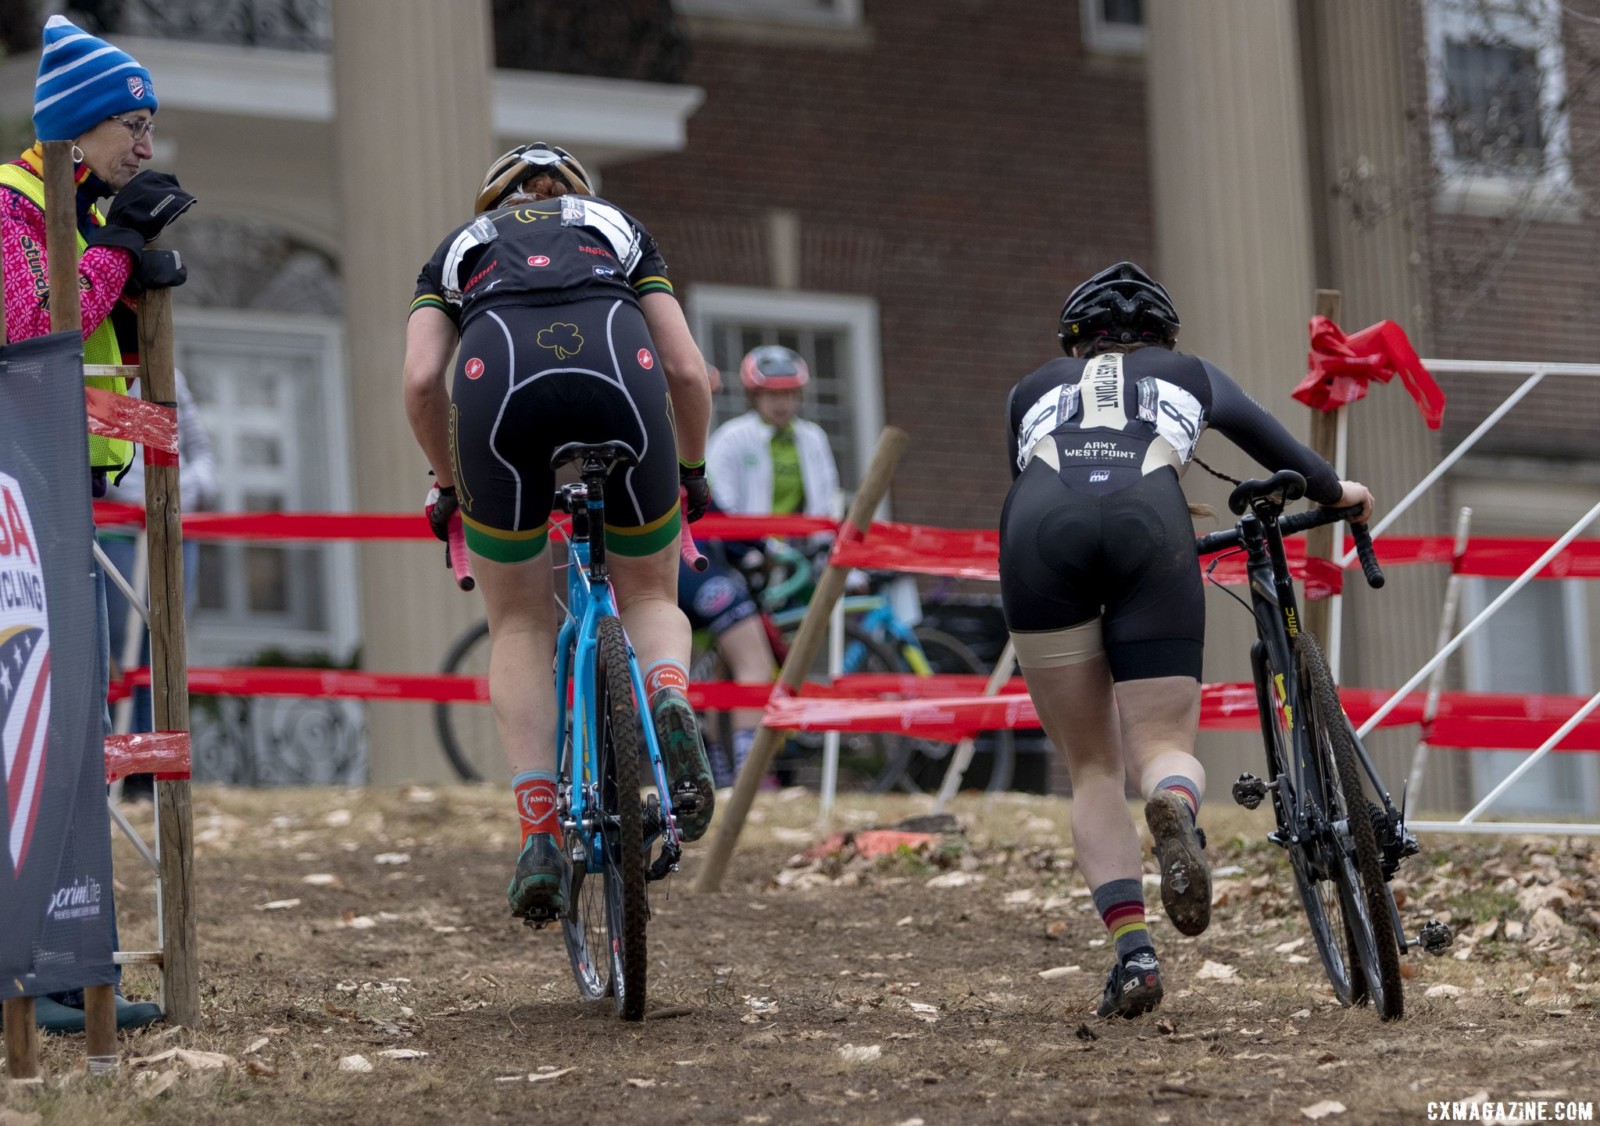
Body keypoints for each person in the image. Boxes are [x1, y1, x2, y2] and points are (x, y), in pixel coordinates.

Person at [999, 262, 1373, 1019]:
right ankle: (1173, 800)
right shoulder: (1189, 372)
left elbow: (1026, 472)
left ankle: (1135, 954)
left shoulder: (1031, 389)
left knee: (1093, 765)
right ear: (1165, 337)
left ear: (1075, 344)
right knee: (1162, 743)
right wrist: (1342, 495)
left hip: (1040, 527)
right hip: (1149, 519)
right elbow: (1286, 457)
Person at [403, 143, 716, 922]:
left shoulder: (460, 248)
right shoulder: (617, 227)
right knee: (647, 590)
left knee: (517, 621)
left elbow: (418, 383)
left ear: (494, 202)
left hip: (496, 386)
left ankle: (540, 835)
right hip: (620, 369)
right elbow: (684, 369)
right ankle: (669, 698)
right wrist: (693, 469)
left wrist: (447, 485)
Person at [0, 14, 195, 1033]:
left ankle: (70, 962)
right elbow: (36, 323)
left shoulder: (69, 205)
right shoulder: (11, 202)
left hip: (68, 498)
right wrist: (117, 253)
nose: (148, 146)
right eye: (133, 124)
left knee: (74, 725)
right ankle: (38, 964)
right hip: (20, 507)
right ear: (82, 132)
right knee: (33, 730)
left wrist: (126, 260)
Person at [100, 367, 216, 800]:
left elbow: (197, 450)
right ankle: (126, 766)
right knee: (120, 645)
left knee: (163, 644)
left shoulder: (166, 374)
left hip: (173, 525)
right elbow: (108, 466)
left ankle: (153, 769)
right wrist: (151, 496)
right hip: (122, 530)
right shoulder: (97, 369)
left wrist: (187, 488)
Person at [705, 345, 839, 521]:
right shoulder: (731, 437)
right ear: (754, 396)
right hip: (747, 544)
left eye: (788, 394)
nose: (781, 403)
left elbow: (827, 498)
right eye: (771, 395)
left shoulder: (814, 437)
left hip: (805, 542)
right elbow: (721, 499)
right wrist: (754, 546)